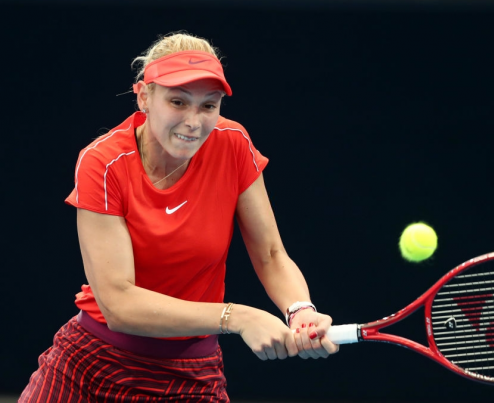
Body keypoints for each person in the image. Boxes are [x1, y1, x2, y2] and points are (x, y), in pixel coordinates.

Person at [20, 32, 339, 402]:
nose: (194, 121)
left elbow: (270, 254)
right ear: (143, 96)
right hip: (89, 366)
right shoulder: (103, 163)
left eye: (208, 105)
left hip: (190, 377)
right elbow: (118, 303)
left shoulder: (233, 144)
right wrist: (237, 317)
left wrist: (300, 310)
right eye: (177, 101)